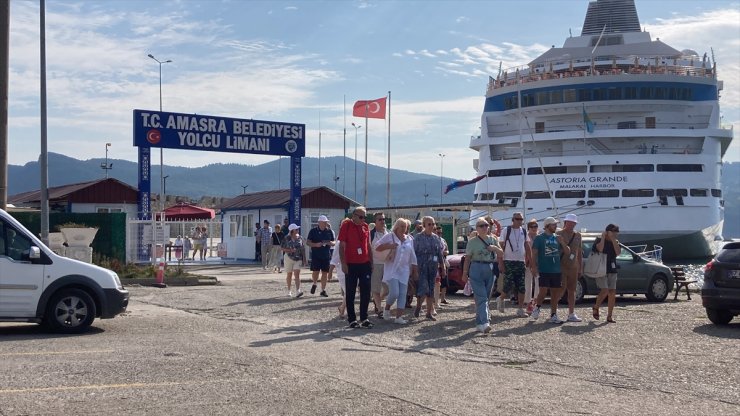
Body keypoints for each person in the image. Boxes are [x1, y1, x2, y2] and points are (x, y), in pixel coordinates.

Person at [461, 218, 504, 333]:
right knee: (482, 297)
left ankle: (479, 323)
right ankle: (485, 322)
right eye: (481, 226)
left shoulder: (493, 239)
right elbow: (468, 258)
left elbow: (501, 253)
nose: (485, 227)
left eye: (486, 225)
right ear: (477, 228)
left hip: (489, 268)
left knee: (487, 297)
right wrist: (465, 273)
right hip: (476, 267)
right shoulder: (472, 242)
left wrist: (494, 248)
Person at [374, 218, 417, 324]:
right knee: (394, 292)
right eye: (401, 226)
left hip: (404, 270)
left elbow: (412, 255)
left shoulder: (409, 239)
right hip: (392, 269)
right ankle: (387, 308)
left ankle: (399, 317)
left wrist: (415, 269)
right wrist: (390, 246)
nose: (403, 228)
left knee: (403, 293)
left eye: (405, 226)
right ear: (396, 227)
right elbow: (377, 247)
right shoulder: (390, 236)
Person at [530, 217, 571, 324]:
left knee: (555, 293)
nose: (556, 226)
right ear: (547, 226)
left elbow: (567, 252)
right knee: (543, 291)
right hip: (544, 269)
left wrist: (562, 242)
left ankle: (553, 314)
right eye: (553, 225)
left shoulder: (557, 237)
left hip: (556, 270)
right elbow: (533, 253)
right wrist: (533, 267)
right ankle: (537, 307)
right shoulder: (540, 238)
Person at [338, 206, 373, 329]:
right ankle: (352, 319)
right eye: (361, 216)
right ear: (354, 216)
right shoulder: (346, 225)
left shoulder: (366, 226)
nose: (364, 219)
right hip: (351, 264)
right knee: (350, 292)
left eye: (365, 217)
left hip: (365, 263)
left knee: (366, 292)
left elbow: (368, 245)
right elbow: (341, 246)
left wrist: (371, 262)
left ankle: (364, 318)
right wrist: (343, 263)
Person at [496, 212, 532, 317]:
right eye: (518, 219)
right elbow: (501, 247)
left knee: (521, 286)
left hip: (520, 262)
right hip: (508, 261)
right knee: (508, 285)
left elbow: (527, 246)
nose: (520, 221)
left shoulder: (524, 232)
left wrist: (530, 260)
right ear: (513, 219)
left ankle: (520, 309)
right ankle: (501, 298)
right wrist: (500, 262)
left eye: (521, 219)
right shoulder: (506, 230)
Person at [413, 216, 447, 321]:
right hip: (421, 266)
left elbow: (439, 254)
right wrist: (414, 268)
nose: (432, 226)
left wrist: (443, 266)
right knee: (424, 287)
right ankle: (419, 305)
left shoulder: (436, 238)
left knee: (431, 289)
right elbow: (413, 253)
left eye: (433, 224)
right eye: (429, 224)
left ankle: (428, 312)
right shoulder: (418, 237)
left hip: (433, 267)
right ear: (424, 225)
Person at [557, 213, 583, 322]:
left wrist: (581, 267)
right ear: (565, 222)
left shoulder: (578, 235)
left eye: (573, 223)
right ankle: (554, 312)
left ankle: (571, 313)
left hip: (574, 266)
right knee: (560, 289)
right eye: (570, 222)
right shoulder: (559, 234)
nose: (572, 224)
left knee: (572, 290)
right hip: (561, 266)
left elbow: (579, 252)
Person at [593, 224, 620, 323]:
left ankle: (609, 316)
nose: (615, 234)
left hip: (612, 268)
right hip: (601, 268)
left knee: (612, 292)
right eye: (613, 232)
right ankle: (596, 307)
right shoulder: (599, 240)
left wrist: (613, 240)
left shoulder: (615, 241)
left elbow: (618, 252)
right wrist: (603, 237)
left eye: (616, 232)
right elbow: (600, 249)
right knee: (604, 290)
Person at [307, 215, 335, 296]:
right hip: (316, 255)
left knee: (325, 273)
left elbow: (334, 242)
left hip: (326, 255)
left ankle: (323, 290)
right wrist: (316, 244)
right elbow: (308, 242)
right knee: (315, 271)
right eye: (324, 222)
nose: (325, 224)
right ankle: (314, 283)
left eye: (326, 222)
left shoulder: (329, 231)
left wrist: (329, 243)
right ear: (319, 223)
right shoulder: (313, 231)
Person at [370, 212, 390, 317]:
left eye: (383, 219)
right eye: (380, 219)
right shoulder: (371, 234)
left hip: (387, 264)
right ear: (375, 222)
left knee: (387, 289)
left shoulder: (389, 233)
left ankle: (377, 302)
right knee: (376, 288)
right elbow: (368, 249)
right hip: (375, 264)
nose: (382, 221)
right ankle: (380, 308)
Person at [331, 218, 351, 317]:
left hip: (352, 268)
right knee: (348, 291)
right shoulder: (340, 241)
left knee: (350, 291)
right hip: (342, 270)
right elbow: (335, 257)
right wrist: (330, 271)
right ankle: (345, 309)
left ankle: (342, 307)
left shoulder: (352, 238)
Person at [282, 223, 305, 298]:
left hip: (298, 258)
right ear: (292, 231)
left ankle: (298, 291)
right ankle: (289, 291)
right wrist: (290, 250)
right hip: (288, 258)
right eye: (296, 229)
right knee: (289, 274)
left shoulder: (300, 238)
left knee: (297, 274)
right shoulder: (286, 238)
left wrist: (304, 258)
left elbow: (302, 248)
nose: (298, 230)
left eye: (298, 229)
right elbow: (282, 248)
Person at [524, 218, 540, 314]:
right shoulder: (526, 237)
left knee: (538, 284)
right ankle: (528, 302)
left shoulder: (540, 237)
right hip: (528, 263)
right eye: (532, 227)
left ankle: (535, 301)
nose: (534, 228)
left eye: (536, 226)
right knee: (528, 284)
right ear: (528, 228)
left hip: (539, 263)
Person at [434, 225, 451, 306]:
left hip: (443, 262)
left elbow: (447, 250)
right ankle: (434, 299)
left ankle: (443, 298)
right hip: (435, 263)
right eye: (438, 232)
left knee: (444, 282)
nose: (440, 234)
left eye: (441, 232)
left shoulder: (443, 240)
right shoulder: (433, 240)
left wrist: (446, 252)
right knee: (436, 282)